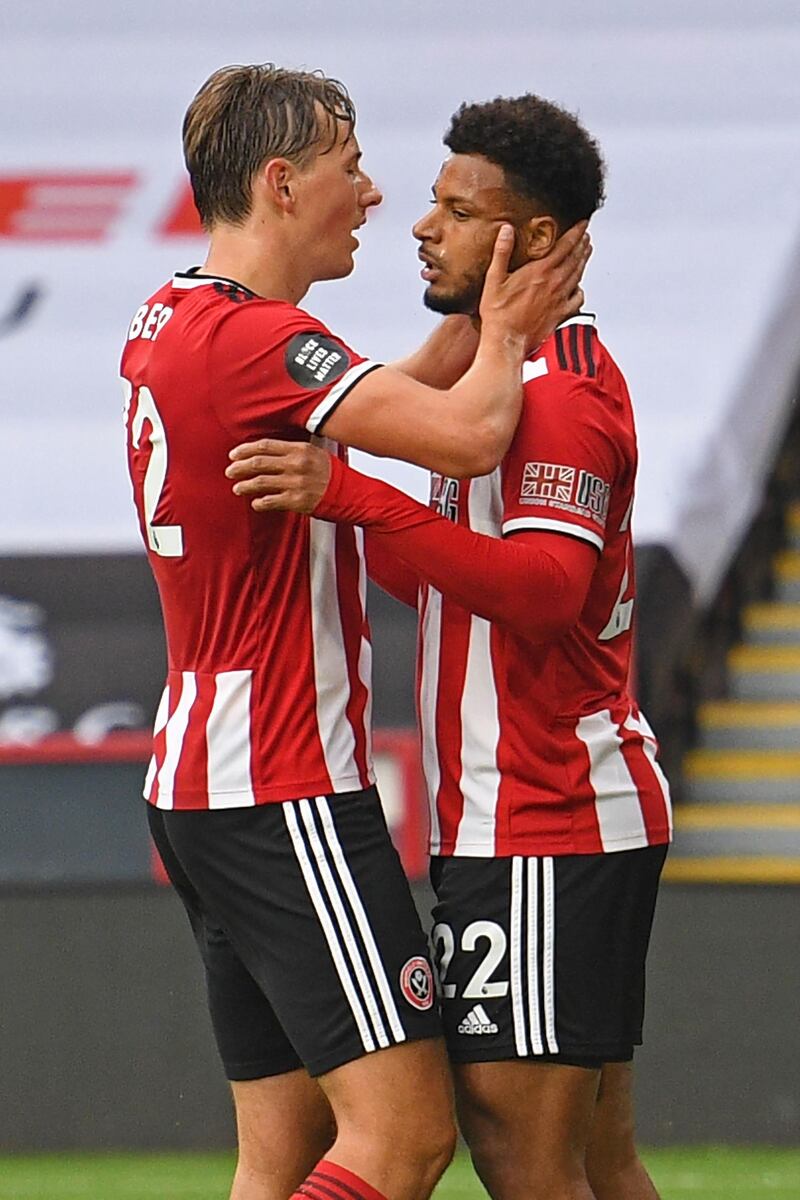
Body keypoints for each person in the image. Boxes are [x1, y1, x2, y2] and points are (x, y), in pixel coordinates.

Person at [120, 64, 589, 1200]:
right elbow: (471, 434)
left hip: (201, 780)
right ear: (282, 184)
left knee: (280, 1155)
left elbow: (403, 397)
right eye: (350, 166)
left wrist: (476, 322)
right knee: (404, 1137)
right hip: (285, 780)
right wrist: (511, 325)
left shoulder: (180, 314)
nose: (374, 195)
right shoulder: (258, 342)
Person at [226, 94, 673, 1200]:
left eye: (456, 209)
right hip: (530, 814)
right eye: (430, 200)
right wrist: (367, 500)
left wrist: (354, 498)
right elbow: (434, 569)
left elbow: (542, 592)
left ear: (526, 239)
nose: (422, 224)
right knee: (591, 1162)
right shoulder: (492, 380)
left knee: (524, 1159)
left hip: (545, 816)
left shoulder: (553, 398)